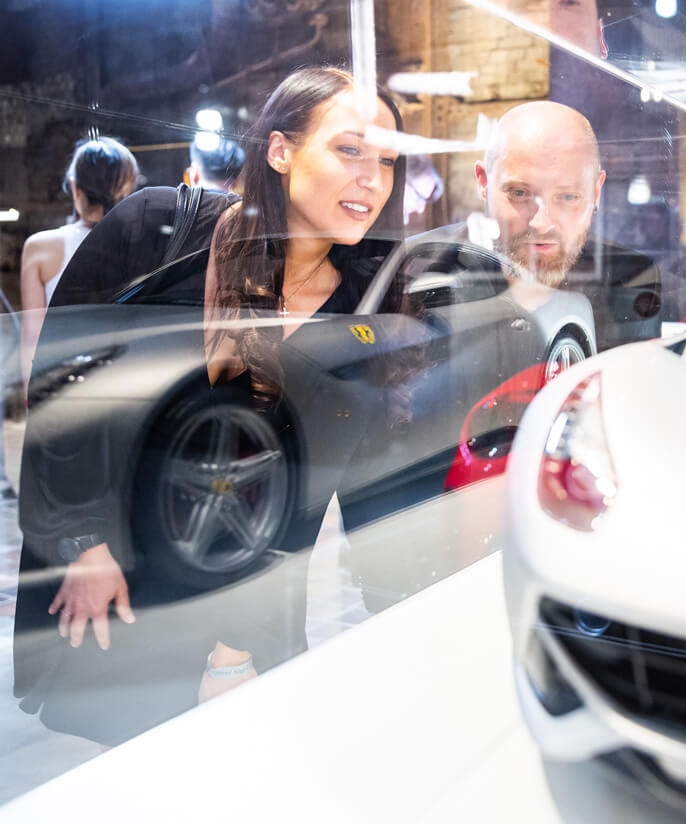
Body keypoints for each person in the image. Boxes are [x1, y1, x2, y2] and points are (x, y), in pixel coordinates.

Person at [13, 66, 406, 745]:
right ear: (280, 151)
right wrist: (82, 542)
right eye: (349, 149)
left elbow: (331, 494)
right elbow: (60, 387)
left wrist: (236, 651)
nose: (373, 178)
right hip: (122, 586)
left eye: (388, 161)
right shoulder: (156, 230)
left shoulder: (364, 308)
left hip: (251, 622)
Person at [470, 100, 661, 350]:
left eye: (568, 197)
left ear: (596, 192)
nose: (541, 224)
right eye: (519, 192)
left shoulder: (630, 282)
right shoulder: (433, 269)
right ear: (483, 183)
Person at [19, 137, 138, 385]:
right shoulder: (142, 246)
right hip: (124, 383)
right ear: (128, 190)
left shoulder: (40, 247)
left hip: (63, 387)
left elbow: (32, 339)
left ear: (75, 188)